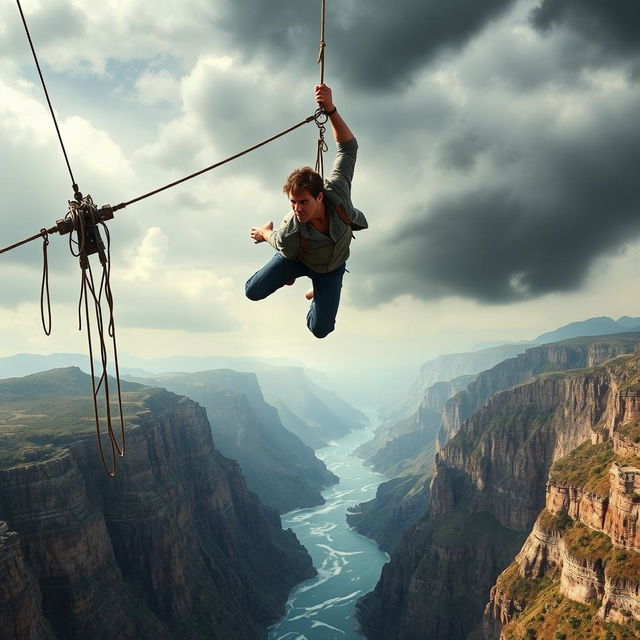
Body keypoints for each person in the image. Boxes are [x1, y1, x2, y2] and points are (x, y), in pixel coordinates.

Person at [245, 83, 367, 339]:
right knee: (252, 291)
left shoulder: (338, 193)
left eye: (303, 202)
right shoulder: (291, 227)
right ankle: (294, 277)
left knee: (320, 330)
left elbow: (348, 147)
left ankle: (318, 292)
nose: (297, 209)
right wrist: (264, 232)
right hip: (297, 258)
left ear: (319, 197)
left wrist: (331, 110)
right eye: (293, 202)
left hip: (331, 268)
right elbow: (278, 242)